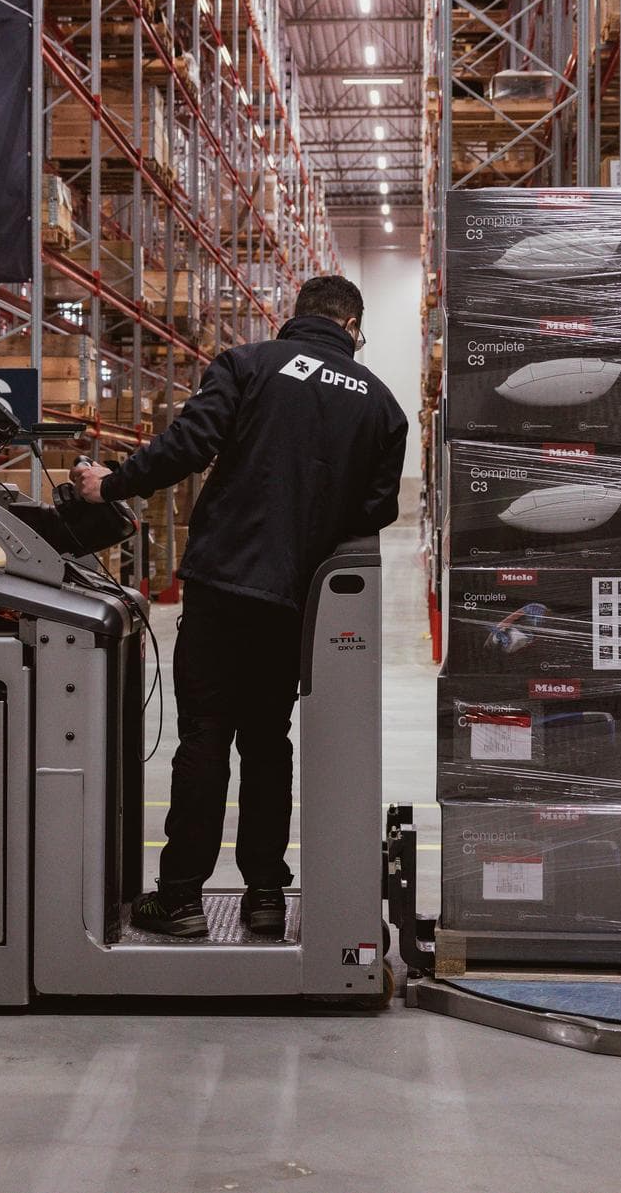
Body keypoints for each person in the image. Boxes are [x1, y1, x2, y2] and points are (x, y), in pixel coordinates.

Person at [72, 274, 408, 938]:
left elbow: (190, 444)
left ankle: (182, 896)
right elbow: (379, 507)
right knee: (267, 742)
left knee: (204, 737)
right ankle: (263, 895)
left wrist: (110, 482)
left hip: (223, 586)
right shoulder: (381, 404)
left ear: (299, 316)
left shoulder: (248, 363)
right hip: (293, 601)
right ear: (352, 327)